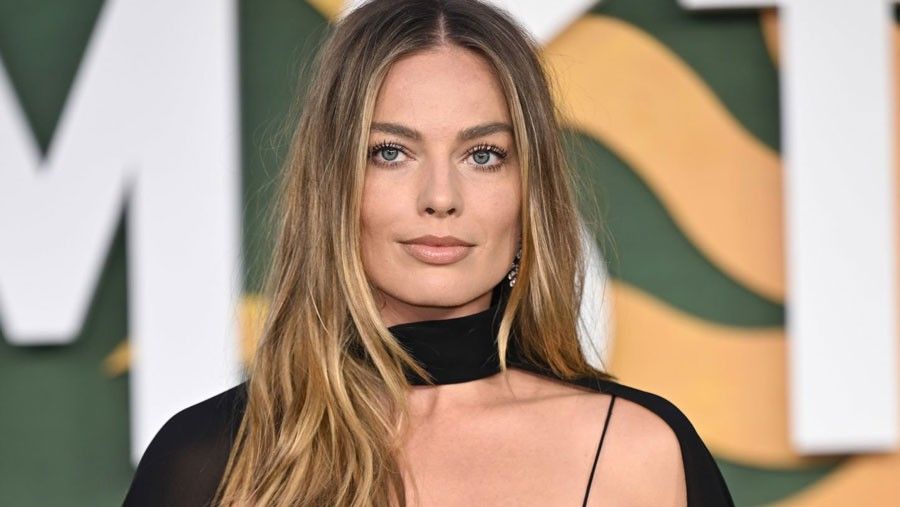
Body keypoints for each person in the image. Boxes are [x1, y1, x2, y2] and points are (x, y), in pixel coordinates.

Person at [122, 0, 734, 505]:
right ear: (332, 188)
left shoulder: (641, 450)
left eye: (483, 155)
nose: (441, 197)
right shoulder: (210, 458)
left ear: (530, 192)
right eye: (391, 152)